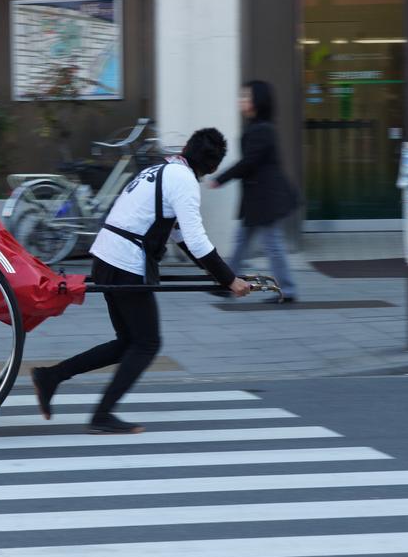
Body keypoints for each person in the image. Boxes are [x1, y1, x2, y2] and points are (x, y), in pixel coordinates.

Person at [31, 128, 251, 435]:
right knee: (147, 343)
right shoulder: (185, 181)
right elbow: (197, 240)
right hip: (125, 262)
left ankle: (52, 377)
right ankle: (102, 415)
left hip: (107, 257)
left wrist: (216, 275)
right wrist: (229, 279)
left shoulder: (162, 169)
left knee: (128, 342)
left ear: (187, 148)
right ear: (212, 166)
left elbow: (178, 235)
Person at [210, 80, 299, 303]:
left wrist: (220, 179)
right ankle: (227, 283)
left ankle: (287, 290)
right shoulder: (257, 126)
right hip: (258, 198)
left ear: (258, 101)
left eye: (247, 97)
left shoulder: (262, 130)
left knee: (272, 244)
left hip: (266, 199)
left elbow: (248, 163)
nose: (242, 100)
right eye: (242, 96)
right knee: (242, 241)